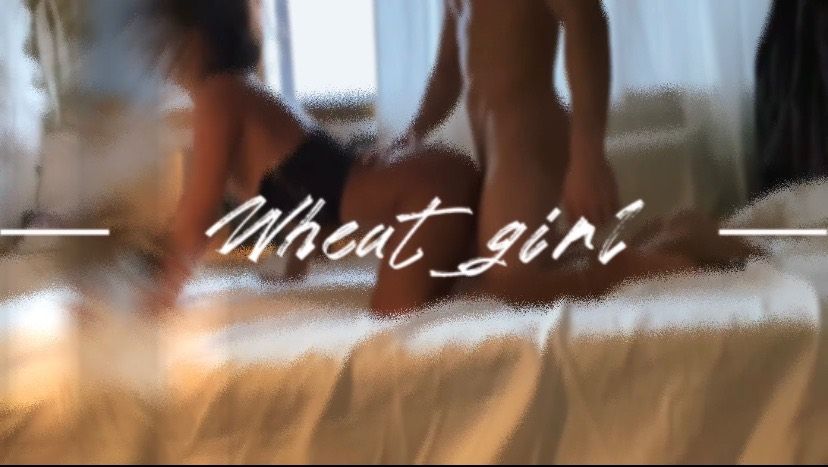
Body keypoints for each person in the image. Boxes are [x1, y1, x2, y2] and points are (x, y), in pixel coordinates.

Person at [148, 0, 480, 315]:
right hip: (433, 184)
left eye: (163, 45)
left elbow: (198, 214)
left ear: (193, 43)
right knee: (445, 311)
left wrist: (162, 293)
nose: (162, 62)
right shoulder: (242, 93)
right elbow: (310, 204)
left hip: (427, 195)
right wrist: (293, 274)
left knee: (391, 328)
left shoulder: (220, 98)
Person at [391, 0, 619, 299]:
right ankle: (665, 237)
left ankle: (631, 267)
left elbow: (586, 19)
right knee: (486, 265)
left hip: (528, 133)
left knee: (510, 281)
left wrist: (587, 154)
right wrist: (412, 133)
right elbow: (448, 71)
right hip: (491, 141)